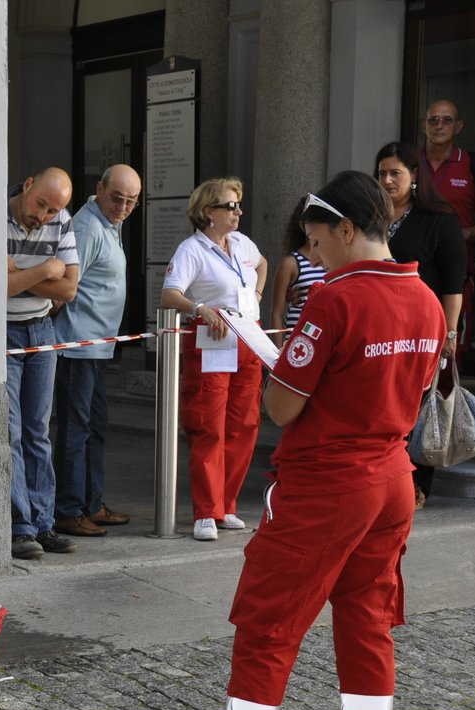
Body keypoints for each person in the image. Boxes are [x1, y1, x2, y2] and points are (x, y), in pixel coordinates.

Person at [136, 171, 445, 710]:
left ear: (347, 228)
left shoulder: (334, 300)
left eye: (317, 243)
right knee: (367, 625)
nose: (313, 258)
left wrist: (284, 368)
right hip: (391, 478)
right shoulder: (423, 298)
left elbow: (281, 406)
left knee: (267, 628)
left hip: (326, 484)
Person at [160, 177, 269, 541]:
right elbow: (170, 294)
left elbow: (263, 263)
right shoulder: (192, 249)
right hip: (213, 340)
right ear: (208, 211)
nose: (238, 212)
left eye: (239, 205)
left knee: (244, 423)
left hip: (247, 337)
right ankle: (205, 511)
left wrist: (254, 294)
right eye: (230, 206)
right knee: (209, 424)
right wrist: (200, 307)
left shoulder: (240, 243)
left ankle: (227, 505)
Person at [376, 141, 468, 508]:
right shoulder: (371, 219)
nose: (386, 180)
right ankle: (385, 475)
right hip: (378, 328)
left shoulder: (439, 220)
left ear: (415, 176)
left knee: (418, 406)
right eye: (381, 173)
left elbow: (452, 282)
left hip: (422, 330)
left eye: (395, 172)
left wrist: (450, 332)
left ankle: (416, 483)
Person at [52, 163, 141, 538]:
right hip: (77, 346)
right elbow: (64, 285)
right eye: (117, 198)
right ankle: (68, 510)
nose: (122, 206)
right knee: (75, 429)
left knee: (95, 428)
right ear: (100, 188)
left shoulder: (110, 223)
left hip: (98, 348)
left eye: (131, 201)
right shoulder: (88, 227)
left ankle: (90, 503)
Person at [7, 167, 81, 560]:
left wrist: (19, 273)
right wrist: (44, 270)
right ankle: (21, 528)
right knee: (12, 430)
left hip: (41, 329)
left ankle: (43, 523)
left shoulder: (63, 220)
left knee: (38, 430)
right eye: (41, 206)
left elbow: (68, 288)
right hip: (2, 332)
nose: (45, 217)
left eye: (53, 212)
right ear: (28, 184)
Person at [420, 99, 475, 350]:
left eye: (447, 120)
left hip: (457, 269)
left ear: (459, 126)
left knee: (451, 341)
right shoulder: (409, 164)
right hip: (414, 267)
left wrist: (462, 235)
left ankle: (449, 389)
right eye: (433, 120)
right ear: (424, 126)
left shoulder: (473, 167)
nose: (439, 126)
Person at [268, 201, 325, 335]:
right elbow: (277, 313)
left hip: (326, 334)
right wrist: (277, 351)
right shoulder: (291, 263)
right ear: (302, 224)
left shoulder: (335, 259)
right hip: (298, 337)